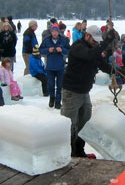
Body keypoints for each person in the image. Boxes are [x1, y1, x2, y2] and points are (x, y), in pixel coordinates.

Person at [60, 25, 113, 157]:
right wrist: (106, 42)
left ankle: (79, 151)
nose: (96, 43)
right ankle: (68, 154)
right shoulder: (78, 47)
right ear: (87, 36)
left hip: (84, 91)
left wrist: (119, 71)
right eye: (94, 40)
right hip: (72, 91)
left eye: (98, 41)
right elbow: (89, 55)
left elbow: (102, 64)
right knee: (70, 124)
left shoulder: (93, 49)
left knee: (85, 123)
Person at [40, 24, 70, 109]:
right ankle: (52, 99)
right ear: (51, 32)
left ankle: (58, 101)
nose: (54, 33)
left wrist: (62, 50)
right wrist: (48, 50)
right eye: (53, 31)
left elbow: (69, 51)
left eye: (56, 31)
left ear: (58, 32)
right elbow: (40, 50)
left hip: (60, 66)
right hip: (50, 66)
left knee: (60, 85)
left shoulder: (63, 40)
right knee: (51, 85)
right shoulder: (46, 40)